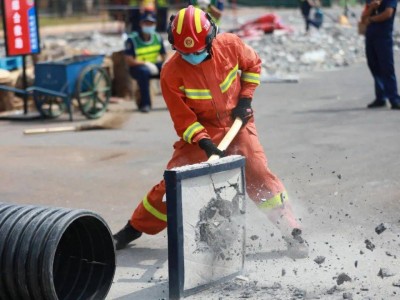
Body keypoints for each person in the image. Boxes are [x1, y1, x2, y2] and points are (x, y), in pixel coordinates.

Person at [113, 5, 308, 258]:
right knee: (174, 183)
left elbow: (253, 66)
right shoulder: (171, 73)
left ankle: (292, 232)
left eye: (197, 51)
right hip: (201, 132)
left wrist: (245, 100)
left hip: (238, 123)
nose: (192, 57)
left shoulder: (231, 45)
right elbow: (183, 119)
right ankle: (133, 229)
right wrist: (203, 142)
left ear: (211, 36)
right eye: (185, 53)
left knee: (258, 174)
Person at [124, 11, 167, 112]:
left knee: (170, 71)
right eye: (146, 23)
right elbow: (129, 60)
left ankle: (175, 102)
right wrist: (146, 64)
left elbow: (164, 55)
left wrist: (166, 65)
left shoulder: (157, 37)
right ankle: (145, 104)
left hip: (153, 65)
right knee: (143, 72)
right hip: (137, 67)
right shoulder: (132, 39)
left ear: (155, 25)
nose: (148, 26)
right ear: (141, 24)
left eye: (151, 23)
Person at [361, 0, 400, 109]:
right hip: (371, 36)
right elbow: (364, 16)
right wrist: (372, 7)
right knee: (374, 66)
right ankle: (381, 97)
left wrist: (372, 19)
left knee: (387, 68)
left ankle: (394, 98)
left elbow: (388, 13)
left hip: (383, 36)